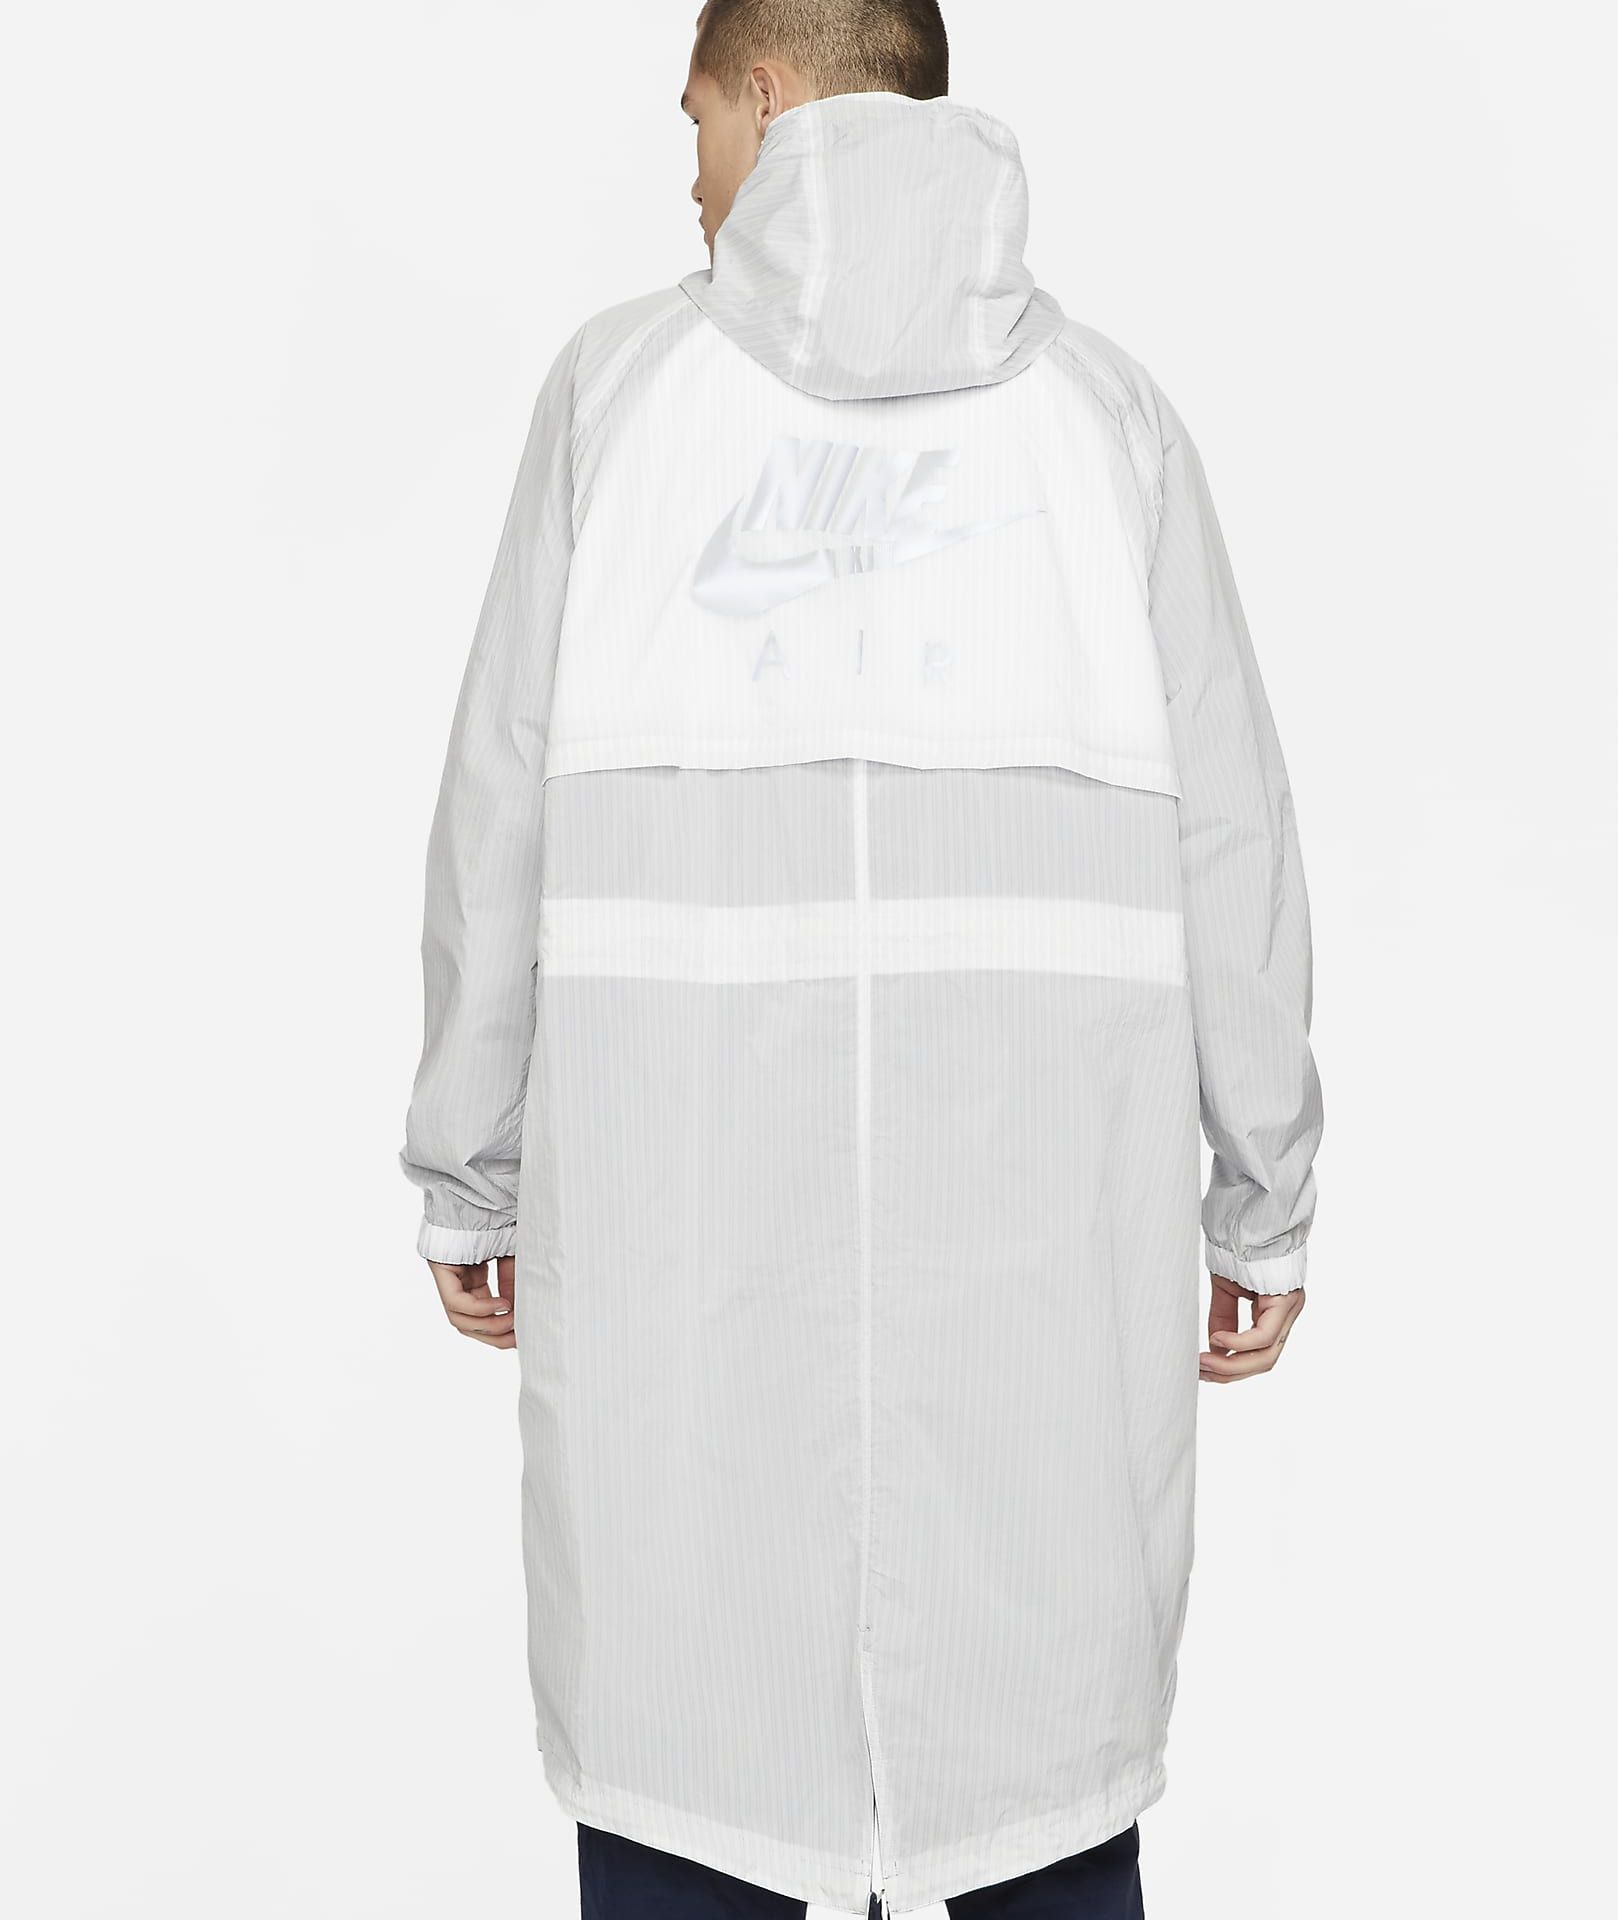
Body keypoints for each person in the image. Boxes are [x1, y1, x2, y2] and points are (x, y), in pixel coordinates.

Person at [399, 2, 1322, 1914]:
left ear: (769, 91)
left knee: (684, 1776)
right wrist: (1264, 1197)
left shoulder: (619, 402)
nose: (692, 177)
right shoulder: (1109, 426)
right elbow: (1232, 836)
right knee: (1038, 1795)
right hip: (1040, 1346)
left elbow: (500, 812)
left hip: (679, 1328)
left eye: (697, 124)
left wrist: (466, 1165)